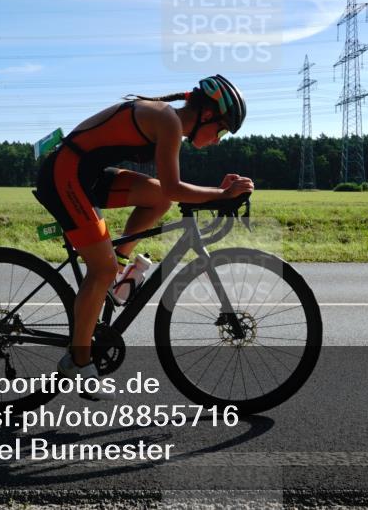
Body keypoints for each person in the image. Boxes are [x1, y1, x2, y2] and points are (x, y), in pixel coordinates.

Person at [34, 75, 254, 398]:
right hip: (65, 174)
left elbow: (168, 190)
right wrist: (220, 195)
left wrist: (217, 192)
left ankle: (115, 273)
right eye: (221, 131)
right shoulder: (168, 122)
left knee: (158, 201)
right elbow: (176, 187)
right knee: (101, 267)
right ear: (206, 115)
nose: (219, 140)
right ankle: (77, 363)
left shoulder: (170, 123)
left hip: (85, 173)